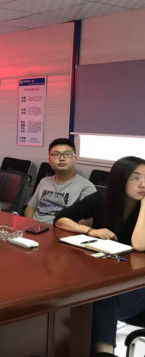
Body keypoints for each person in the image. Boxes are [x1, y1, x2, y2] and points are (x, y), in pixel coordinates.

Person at [54, 156, 145, 355]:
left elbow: (139, 245)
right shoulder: (102, 199)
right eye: (135, 178)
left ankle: (104, 352)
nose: (143, 184)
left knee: (101, 297)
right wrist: (89, 231)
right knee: (88, 296)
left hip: (139, 283)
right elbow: (61, 219)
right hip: (111, 274)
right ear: (120, 180)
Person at [25, 138, 96, 224]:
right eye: (56, 154)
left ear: (74, 159)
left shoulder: (86, 187)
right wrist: (31, 225)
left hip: (63, 231)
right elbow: (30, 208)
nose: (62, 158)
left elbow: (86, 221)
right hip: (36, 228)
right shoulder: (44, 181)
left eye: (67, 154)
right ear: (49, 161)